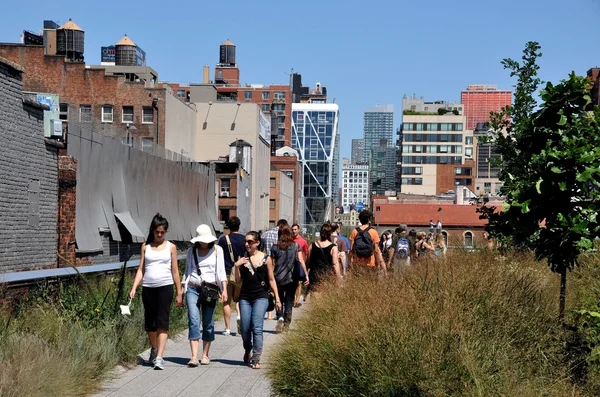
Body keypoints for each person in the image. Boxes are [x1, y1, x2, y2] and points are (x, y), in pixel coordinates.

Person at [129, 213, 183, 370]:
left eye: (162, 232)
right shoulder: (146, 247)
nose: (160, 235)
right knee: (150, 324)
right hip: (148, 288)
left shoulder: (171, 247)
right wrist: (134, 287)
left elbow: (175, 271)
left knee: (162, 322)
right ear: (153, 230)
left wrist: (179, 291)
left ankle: (159, 357)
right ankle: (154, 348)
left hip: (165, 287)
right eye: (157, 232)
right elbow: (141, 269)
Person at [234, 231, 281, 369]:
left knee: (257, 327)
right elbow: (237, 280)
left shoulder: (266, 259)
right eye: (246, 242)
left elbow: (271, 279)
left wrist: (277, 298)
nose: (247, 244)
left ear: (257, 243)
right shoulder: (243, 258)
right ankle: (247, 349)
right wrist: (237, 266)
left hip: (261, 296)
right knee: (245, 328)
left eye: (250, 242)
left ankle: (256, 357)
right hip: (245, 297)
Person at [182, 224, 227, 366]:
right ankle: (194, 356)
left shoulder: (217, 250)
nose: (203, 242)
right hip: (193, 288)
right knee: (194, 319)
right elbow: (187, 271)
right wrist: (182, 290)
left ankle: (205, 355)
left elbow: (221, 271)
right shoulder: (191, 251)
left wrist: (224, 289)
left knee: (208, 323)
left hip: (211, 289)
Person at [269, 225, 309, 333]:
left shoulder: (275, 247)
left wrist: (270, 277)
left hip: (278, 278)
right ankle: (286, 324)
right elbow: (301, 260)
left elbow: (272, 264)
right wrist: (306, 274)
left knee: (279, 299)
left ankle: (280, 316)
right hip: (292, 278)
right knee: (289, 300)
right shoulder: (296, 245)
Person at [217, 216, 245, 336]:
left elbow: (218, 256)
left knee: (226, 301)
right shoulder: (244, 239)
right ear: (239, 225)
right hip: (240, 274)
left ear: (228, 226)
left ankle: (227, 328)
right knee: (239, 300)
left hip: (227, 273)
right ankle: (239, 316)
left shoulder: (223, 240)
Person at [306, 224, 342, 295]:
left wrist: (306, 274)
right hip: (327, 276)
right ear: (330, 234)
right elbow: (335, 264)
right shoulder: (333, 247)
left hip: (314, 276)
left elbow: (307, 261)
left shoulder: (312, 245)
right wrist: (338, 278)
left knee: (314, 298)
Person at [349, 210, 386, 274]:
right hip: (370, 263)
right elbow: (376, 250)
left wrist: (350, 263)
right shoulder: (373, 232)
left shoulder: (355, 231)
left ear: (360, 220)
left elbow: (352, 249)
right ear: (369, 219)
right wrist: (379, 264)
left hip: (357, 263)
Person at [291, 223, 309, 307]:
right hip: (290, 263)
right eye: (293, 229)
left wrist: (304, 264)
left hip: (299, 263)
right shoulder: (290, 240)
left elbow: (306, 253)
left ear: (298, 230)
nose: (294, 231)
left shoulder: (303, 241)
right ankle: (292, 298)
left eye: (295, 229)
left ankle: (296, 301)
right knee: (291, 282)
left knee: (299, 282)